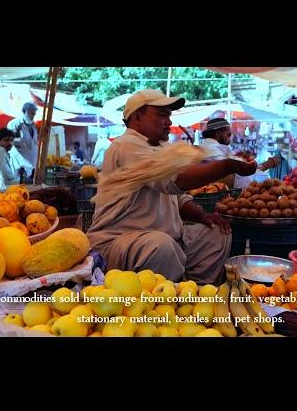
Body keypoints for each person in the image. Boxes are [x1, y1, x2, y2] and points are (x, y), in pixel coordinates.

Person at [86, 89, 257, 285]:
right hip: (120, 242)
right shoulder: (126, 146)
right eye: (161, 114)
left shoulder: (159, 148)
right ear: (136, 118)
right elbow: (176, 180)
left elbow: (178, 198)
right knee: (160, 247)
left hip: (169, 237)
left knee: (216, 233)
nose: (168, 121)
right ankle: (162, 302)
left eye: (169, 115)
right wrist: (229, 165)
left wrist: (203, 217)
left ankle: (197, 293)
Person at [201, 117, 279, 188]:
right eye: (228, 135)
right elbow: (233, 176)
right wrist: (267, 164)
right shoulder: (213, 150)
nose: (230, 139)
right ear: (218, 134)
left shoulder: (213, 148)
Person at [7, 102, 39, 176]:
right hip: (19, 162)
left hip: (32, 161)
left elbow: (33, 142)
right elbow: (9, 140)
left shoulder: (33, 126)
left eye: (34, 114)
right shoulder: (14, 124)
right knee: (18, 183)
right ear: (24, 111)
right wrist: (19, 140)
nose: (32, 116)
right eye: (31, 114)